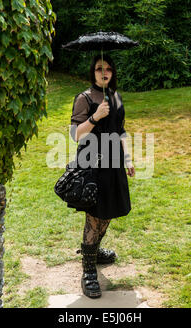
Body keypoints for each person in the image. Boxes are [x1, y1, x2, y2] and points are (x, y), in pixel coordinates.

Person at [69, 54, 135, 299]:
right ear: (92, 72)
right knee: (94, 216)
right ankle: (88, 270)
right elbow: (76, 134)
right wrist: (95, 117)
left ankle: (93, 251)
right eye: (99, 69)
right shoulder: (84, 98)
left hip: (114, 162)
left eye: (108, 68)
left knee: (107, 213)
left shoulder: (115, 96)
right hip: (93, 162)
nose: (104, 72)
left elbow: (121, 131)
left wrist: (127, 158)